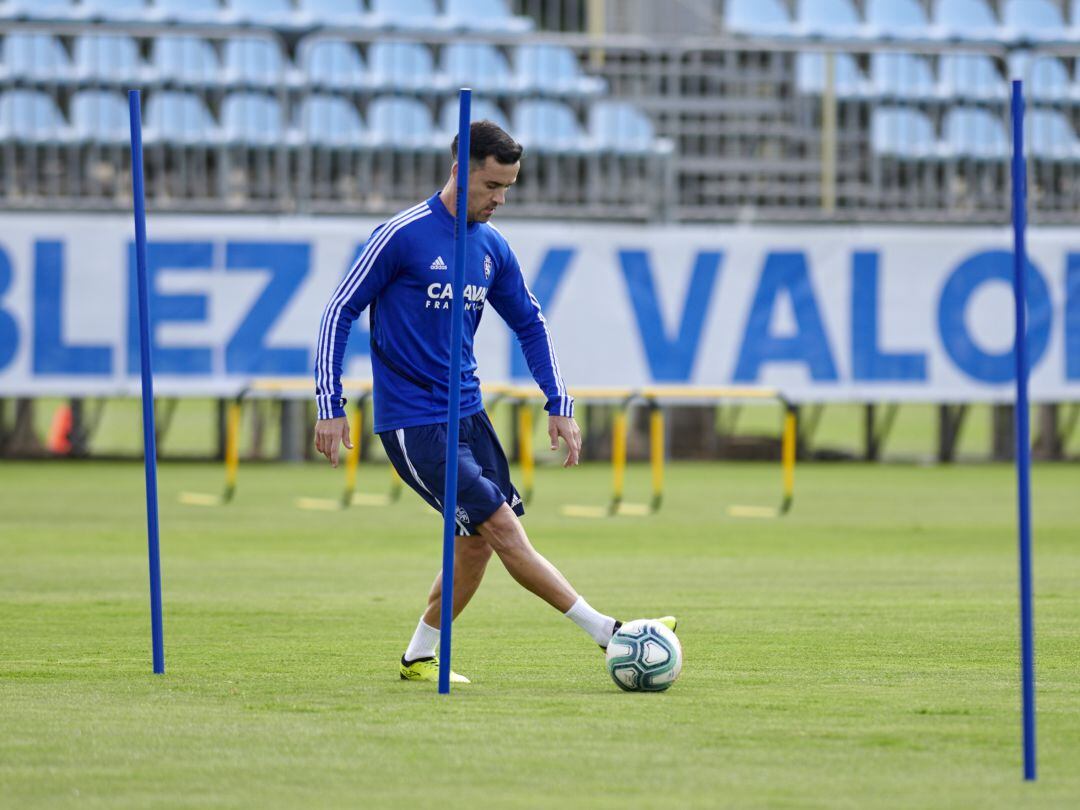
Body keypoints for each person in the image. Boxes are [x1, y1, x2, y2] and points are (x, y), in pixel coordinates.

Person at [313, 120, 674, 683]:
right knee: (503, 529)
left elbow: (531, 323)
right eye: (491, 186)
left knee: (476, 546)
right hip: (415, 423)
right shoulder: (402, 235)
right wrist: (329, 403)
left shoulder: (491, 247)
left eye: (508, 188)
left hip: (469, 416)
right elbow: (339, 312)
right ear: (460, 170)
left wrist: (559, 401)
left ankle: (418, 657)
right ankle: (611, 633)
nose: (499, 199)